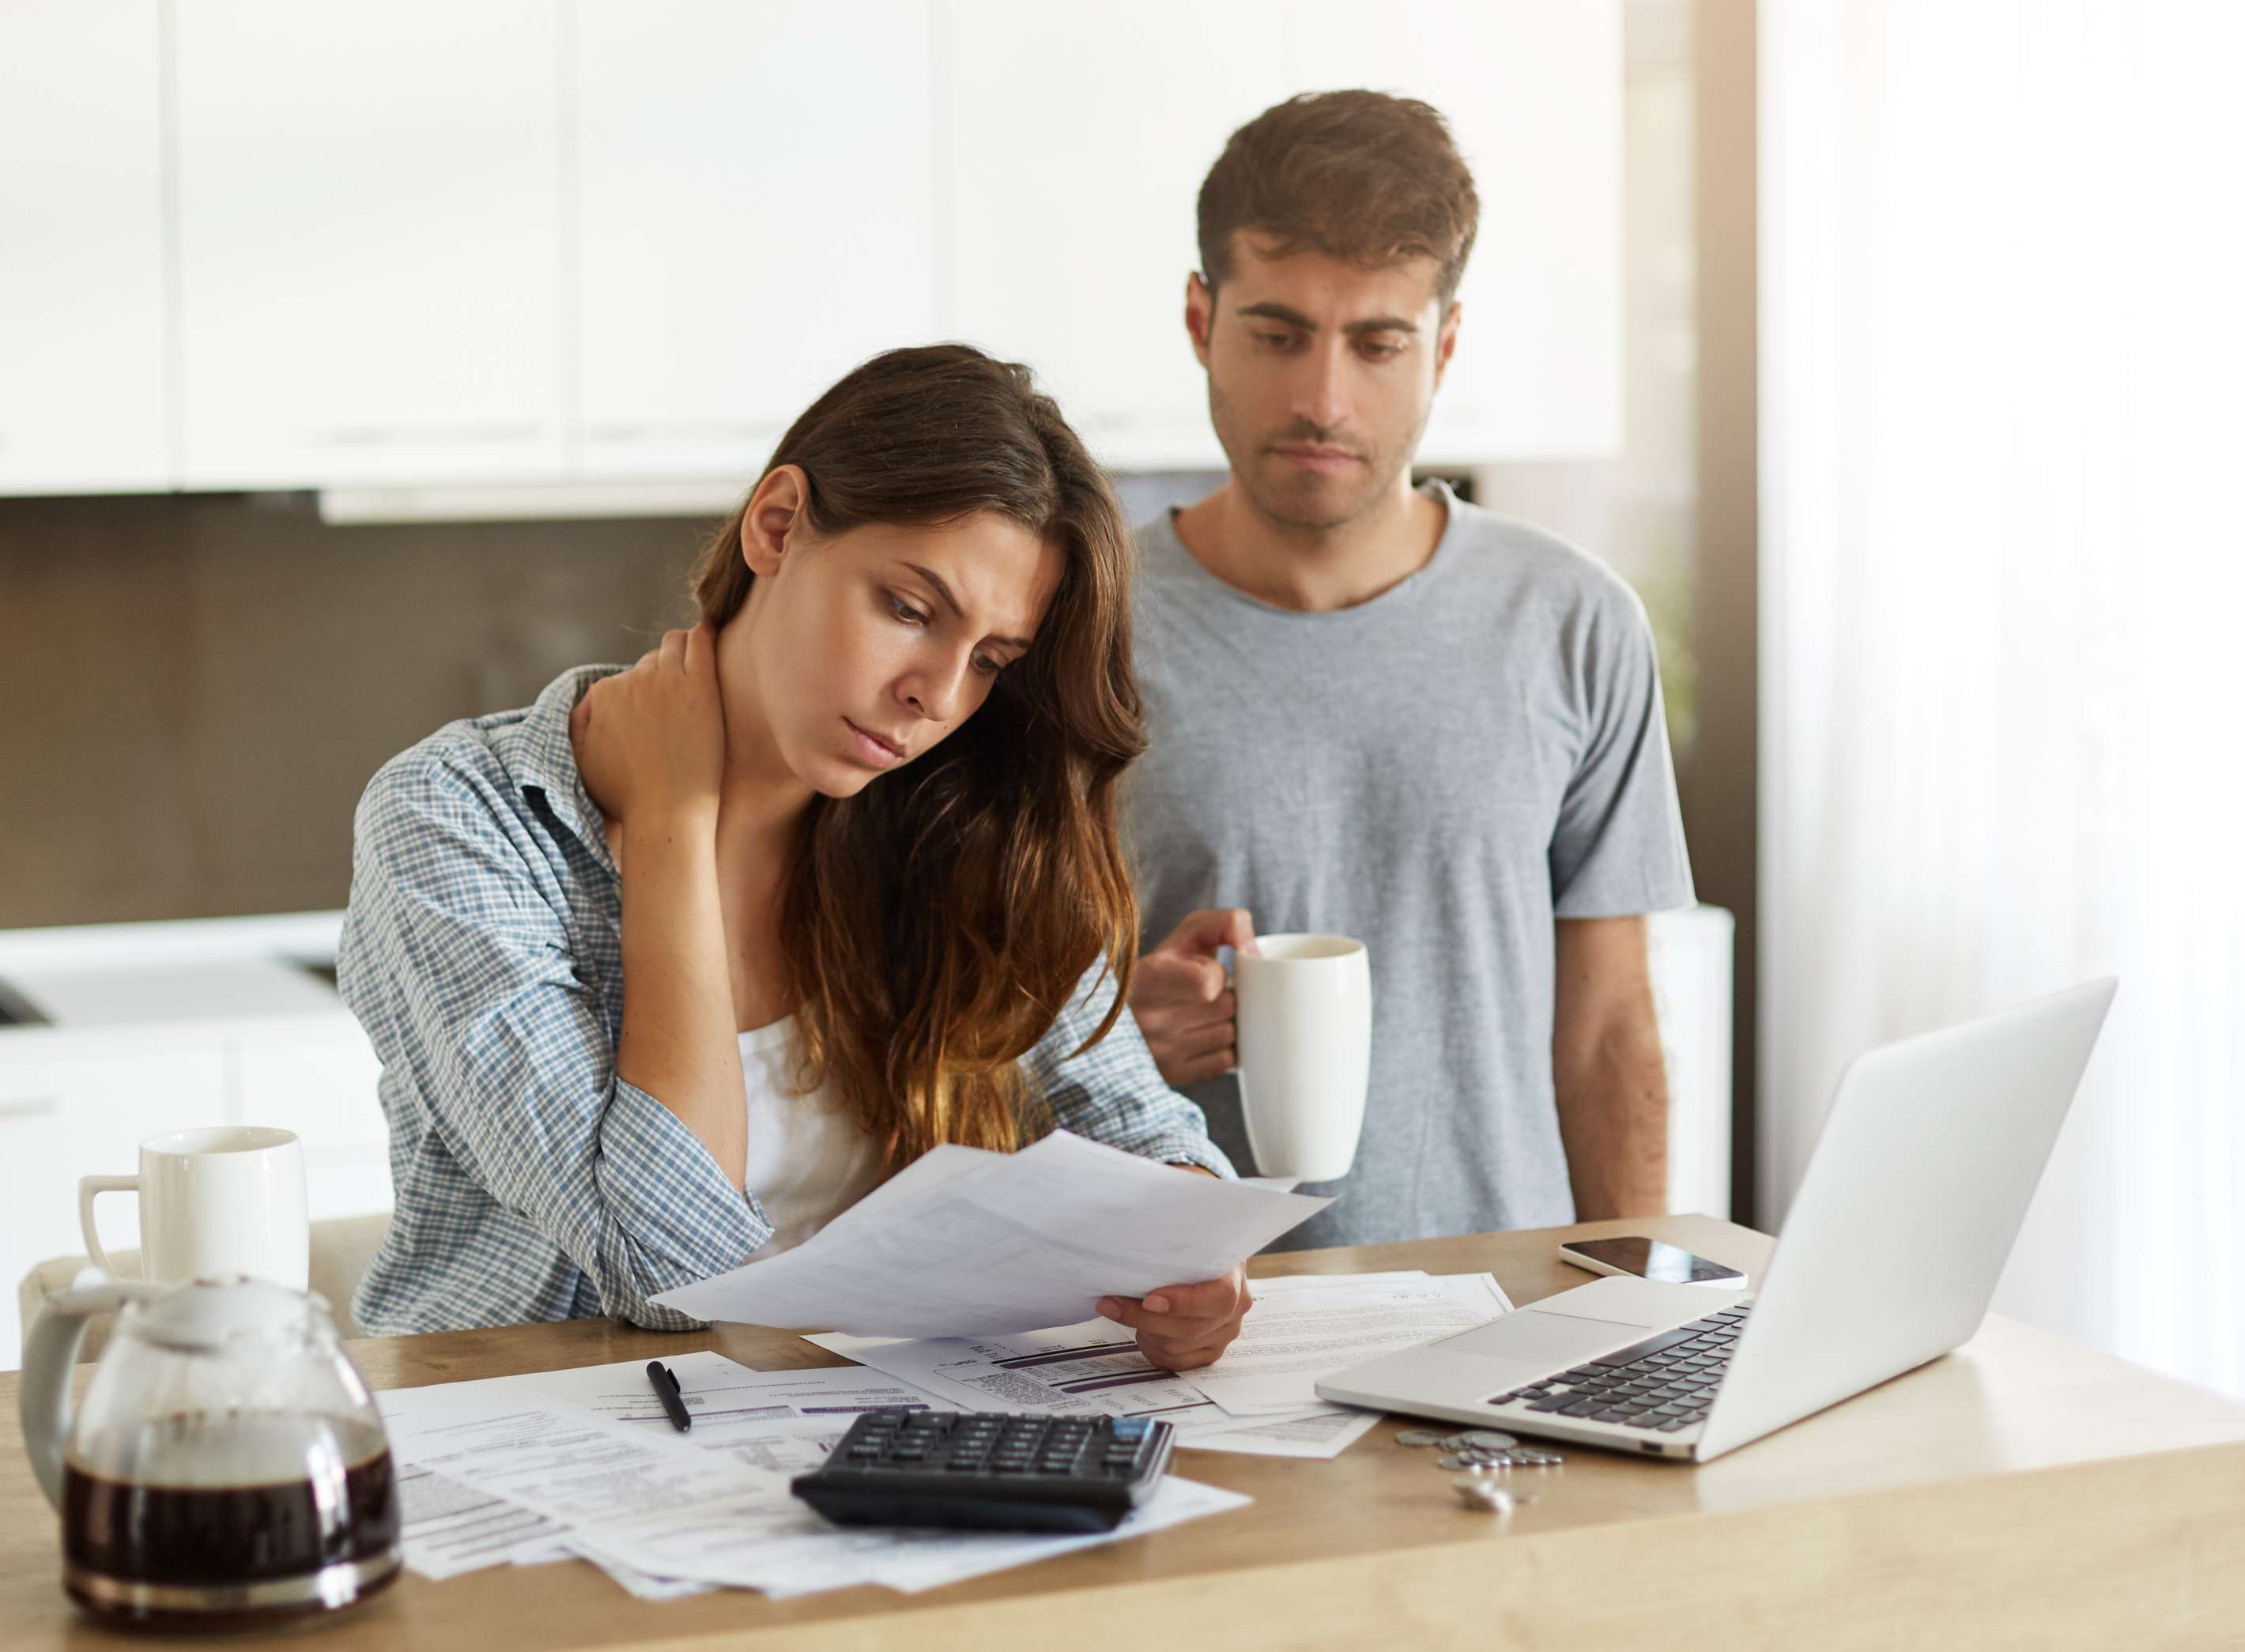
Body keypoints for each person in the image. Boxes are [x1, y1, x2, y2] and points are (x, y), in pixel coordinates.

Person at [338, 345, 1250, 1369]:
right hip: (530, 1431)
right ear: (777, 526)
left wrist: (1194, 1256)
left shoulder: (959, 825)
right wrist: (676, 817)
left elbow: (1136, 1124)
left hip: (853, 1429)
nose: (938, 696)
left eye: (992, 661)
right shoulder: (457, 818)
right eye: (910, 610)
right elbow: (669, 1272)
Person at [1125, 92, 1695, 1250]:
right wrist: (1101, 1043)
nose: (1323, 401)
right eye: (1277, 335)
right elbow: (955, 1031)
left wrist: (1639, 1305)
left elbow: (1607, 1034)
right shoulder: (1075, 632)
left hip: (1507, 1317)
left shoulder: (1574, 623)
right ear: (1199, 319)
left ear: (1443, 345)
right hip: (1174, 1316)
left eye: (1378, 345)